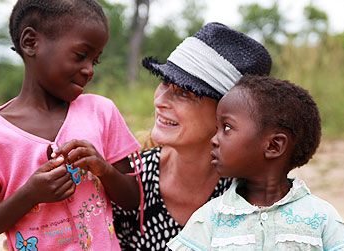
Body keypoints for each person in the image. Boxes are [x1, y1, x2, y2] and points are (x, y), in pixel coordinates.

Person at [0, 0, 141, 250]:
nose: (89, 70)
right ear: (31, 42)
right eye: (81, 55)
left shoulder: (101, 112)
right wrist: (30, 194)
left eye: (95, 60)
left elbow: (132, 199)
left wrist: (103, 169)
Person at [113, 22, 272, 250]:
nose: (160, 100)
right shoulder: (129, 177)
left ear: (226, 116)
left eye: (185, 93)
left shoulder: (250, 197)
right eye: (165, 82)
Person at [167, 75, 344, 250]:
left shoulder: (321, 218)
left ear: (273, 146)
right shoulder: (209, 220)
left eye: (227, 127)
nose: (214, 139)